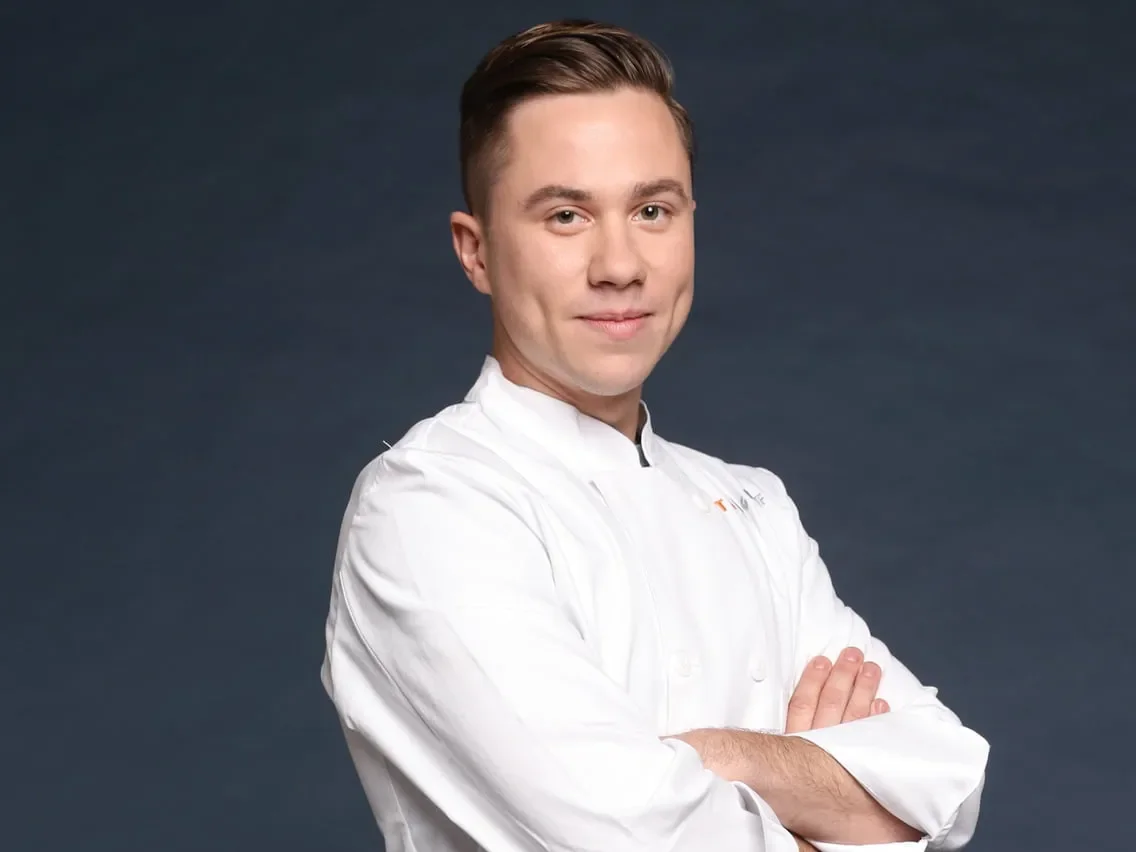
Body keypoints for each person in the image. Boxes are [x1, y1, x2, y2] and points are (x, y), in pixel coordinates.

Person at [320, 19, 989, 852]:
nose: (620, 264)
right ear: (477, 251)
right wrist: (834, 805)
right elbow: (624, 835)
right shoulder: (430, 507)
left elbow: (951, 781)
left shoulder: (754, 508)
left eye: (651, 208)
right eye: (566, 215)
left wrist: (728, 756)